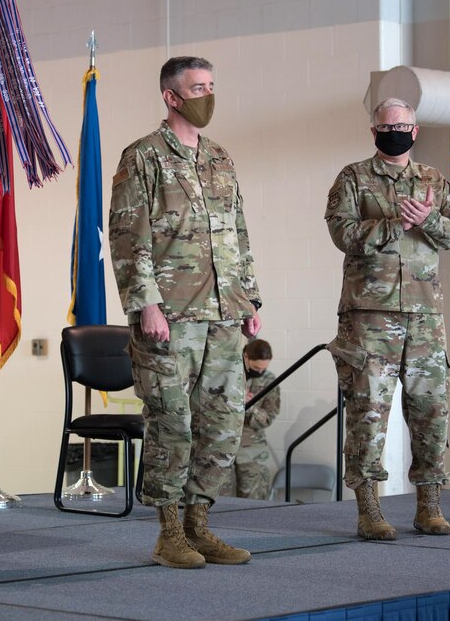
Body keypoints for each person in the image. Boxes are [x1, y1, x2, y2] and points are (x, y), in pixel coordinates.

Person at [109, 56, 262, 569]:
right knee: (172, 424)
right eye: (198, 87)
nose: (208, 95)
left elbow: (238, 233)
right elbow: (130, 239)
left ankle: (201, 526)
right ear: (171, 97)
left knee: (222, 425)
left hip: (222, 317)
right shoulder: (143, 157)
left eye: (212, 85)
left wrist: (249, 300)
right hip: (169, 317)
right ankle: (169, 532)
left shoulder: (220, 157)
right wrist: (145, 303)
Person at [325, 97, 450, 541]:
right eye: (388, 126)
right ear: (374, 132)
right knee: (368, 413)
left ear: (415, 130)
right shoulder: (352, 177)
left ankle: (429, 506)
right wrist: (394, 225)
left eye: (403, 126)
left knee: (431, 412)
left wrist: (428, 220)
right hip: (369, 317)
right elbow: (341, 232)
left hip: (425, 314)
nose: (396, 132)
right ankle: (369, 508)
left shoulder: (433, 180)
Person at [222, 340, 280, 500]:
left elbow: (267, 419)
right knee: (217, 498)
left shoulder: (269, 381)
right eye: (256, 368)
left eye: (263, 368)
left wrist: (250, 405)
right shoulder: (227, 373)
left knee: (253, 502)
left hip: (251, 450)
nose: (260, 371)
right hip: (221, 444)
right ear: (246, 356)